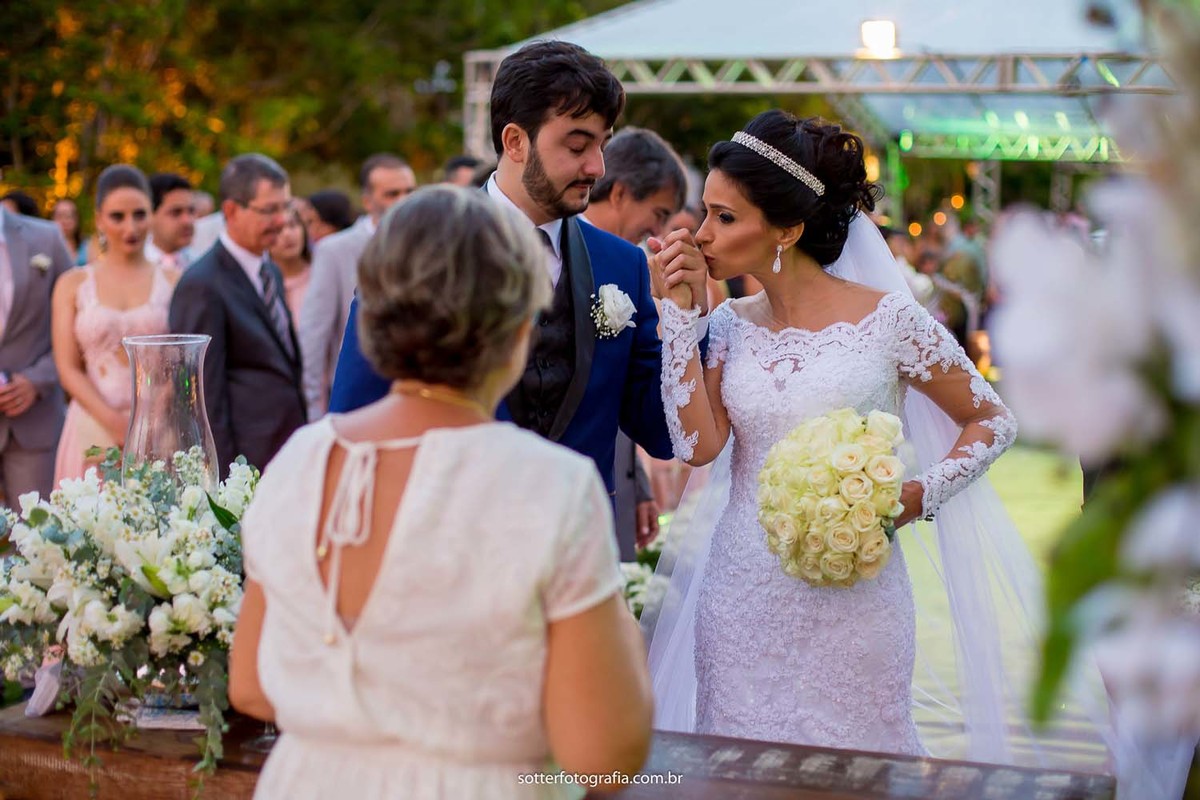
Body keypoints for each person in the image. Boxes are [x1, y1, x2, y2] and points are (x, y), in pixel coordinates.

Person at [644, 111, 1066, 763]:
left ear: (787, 229)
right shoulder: (727, 323)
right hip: (740, 600)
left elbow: (992, 419)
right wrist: (677, 319)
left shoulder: (889, 320)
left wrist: (917, 495)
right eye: (706, 212)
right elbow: (698, 446)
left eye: (724, 217)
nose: (700, 233)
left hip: (853, 600)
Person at [229, 186, 652, 798]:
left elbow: (250, 684)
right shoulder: (549, 485)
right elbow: (604, 753)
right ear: (519, 324)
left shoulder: (299, 460)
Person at [327, 41, 707, 505]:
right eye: (577, 144)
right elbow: (355, 414)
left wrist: (688, 317)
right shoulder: (418, 248)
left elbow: (666, 433)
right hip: (442, 538)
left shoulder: (621, 265)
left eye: (603, 144)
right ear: (515, 142)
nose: (597, 167)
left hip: (575, 548)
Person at [578, 126, 688, 557]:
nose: (657, 230)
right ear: (621, 193)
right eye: (659, 214)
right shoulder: (549, 254)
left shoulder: (630, 267)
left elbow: (620, 394)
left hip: (610, 491)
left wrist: (635, 482)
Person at [168, 154, 305, 477]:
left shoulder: (270, 270)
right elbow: (201, 398)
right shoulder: (202, 284)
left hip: (286, 450)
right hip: (244, 465)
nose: (282, 220)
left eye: (286, 207)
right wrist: (225, 483)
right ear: (231, 210)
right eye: (269, 210)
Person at [51, 165, 179, 482]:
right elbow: (68, 368)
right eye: (117, 216)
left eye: (140, 214)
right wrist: (113, 422)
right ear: (98, 219)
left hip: (159, 425)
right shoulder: (72, 284)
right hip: (92, 420)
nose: (130, 226)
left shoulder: (176, 281)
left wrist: (148, 423)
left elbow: (181, 360)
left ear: (152, 214)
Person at [298, 155, 416, 420]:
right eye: (391, 194)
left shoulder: (428, 244)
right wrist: (315, 417)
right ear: (367, 201)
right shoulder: (335, 250)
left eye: (409, 191)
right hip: (355, 399)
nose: (403, 200)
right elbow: (314, 337)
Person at [0, 202, 74, 505]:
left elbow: (77, 327)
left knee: (37, 541)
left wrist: (38, 379)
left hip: (34, 422)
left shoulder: (47, 239)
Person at [269, 205, 312, 320]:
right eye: (278, 230)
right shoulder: (262, 283)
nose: (287, 234)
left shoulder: (321, 275)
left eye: (293, 225)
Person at [146, 173, 197, 269]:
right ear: (150, 216)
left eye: (191, 211)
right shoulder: (132, 267)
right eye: (176, 212)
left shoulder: (199, 265)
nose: (187, 221)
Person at [50, 199, 84, 266]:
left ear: (77, 219)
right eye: (60, 216)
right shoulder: (45, 247)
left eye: (68, 216)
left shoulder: (89, 246)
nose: (64, 221)